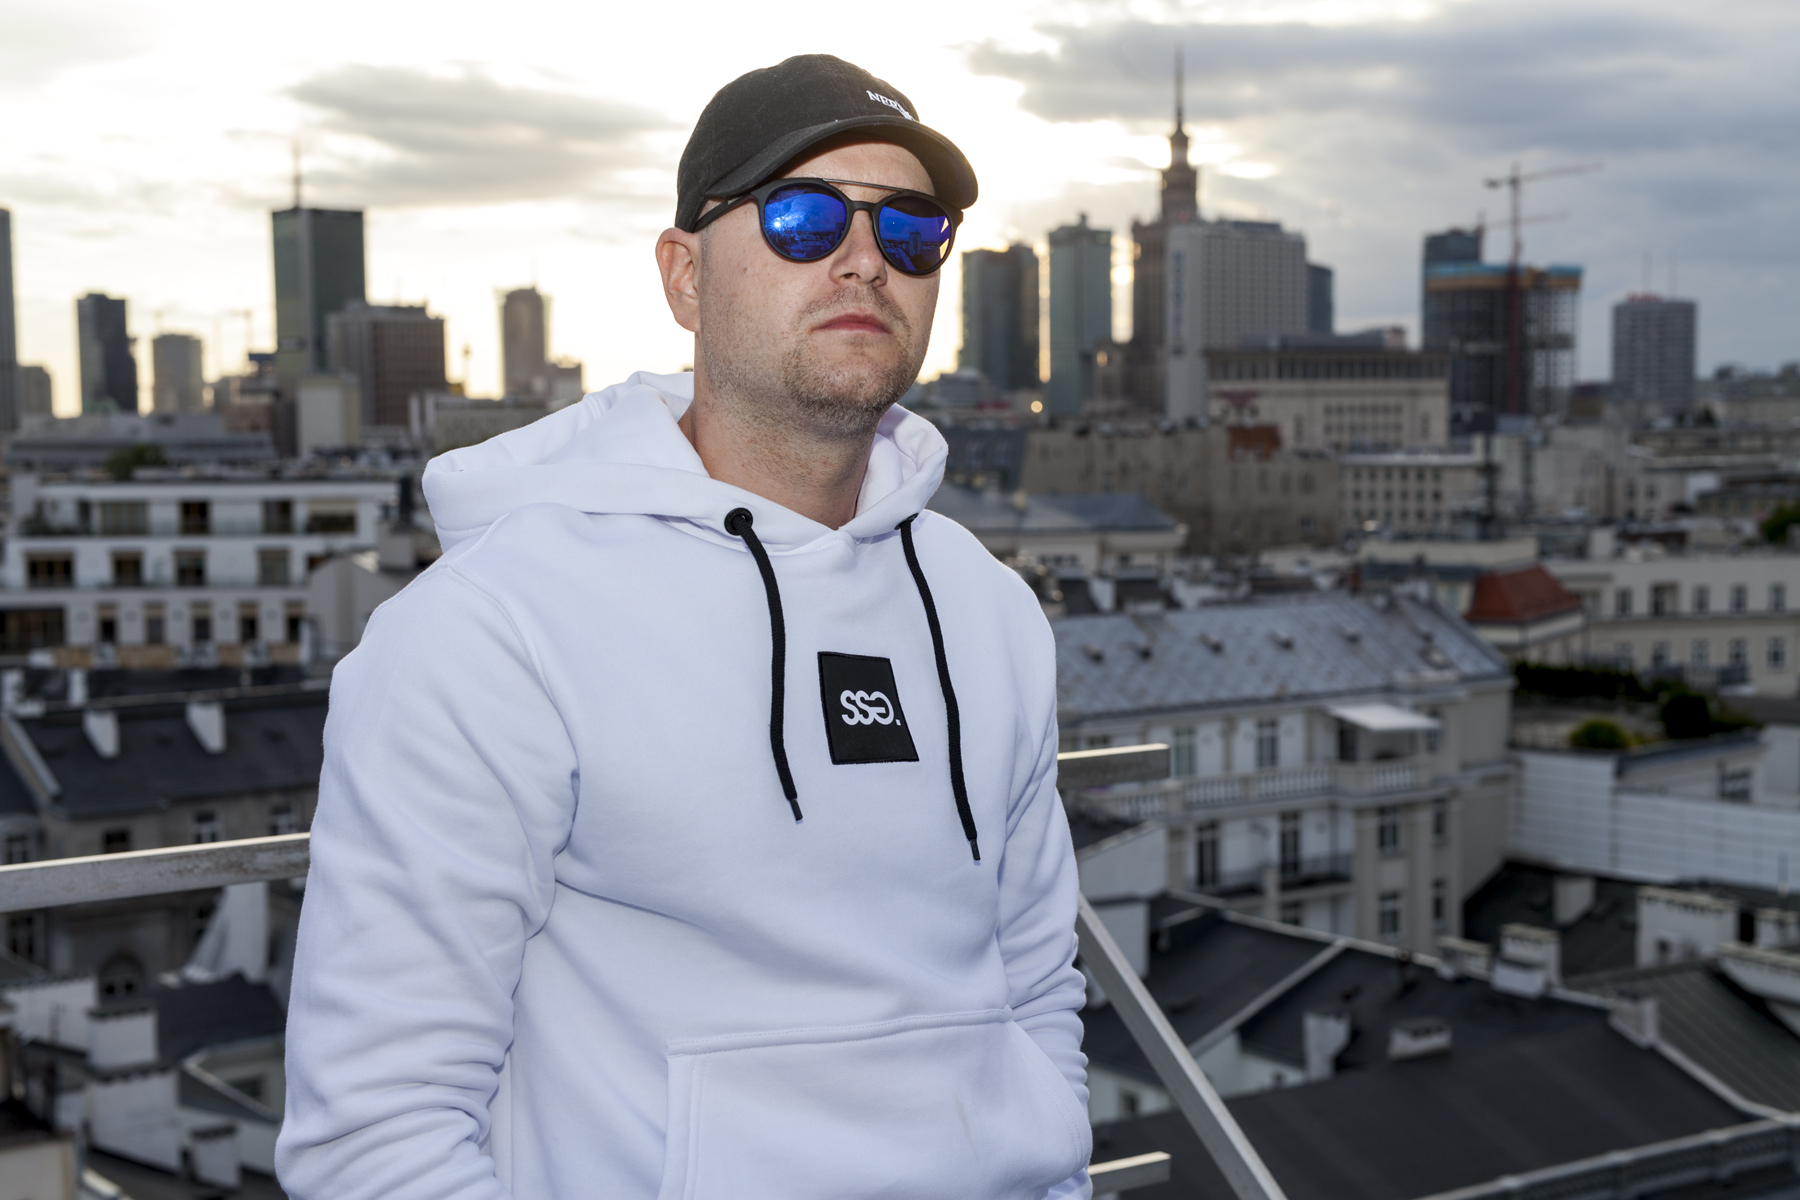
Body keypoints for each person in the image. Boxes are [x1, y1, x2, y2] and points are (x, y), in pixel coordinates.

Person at [276, 54, 1091, 1200]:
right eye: (804, 218)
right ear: (685, 277)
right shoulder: (494, 630)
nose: (867, 259)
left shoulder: (990, 612)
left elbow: (1036, 994)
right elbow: (375, 1134)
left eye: (912, 231)